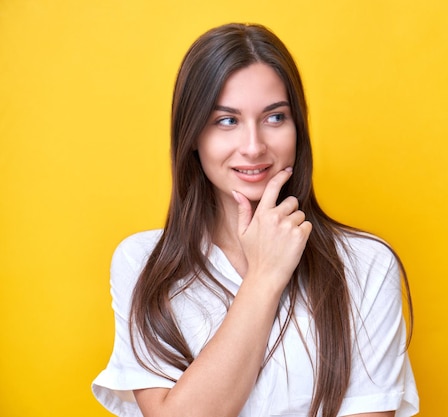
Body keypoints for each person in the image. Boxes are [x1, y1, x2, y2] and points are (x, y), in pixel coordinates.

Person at [92, 22, 419, 417]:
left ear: (298, 128)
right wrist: (264, 277)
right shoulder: (143, 263)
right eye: (227, 121)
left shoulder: (366, 264)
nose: (253, 147)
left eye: (275, 118)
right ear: (193, 135)